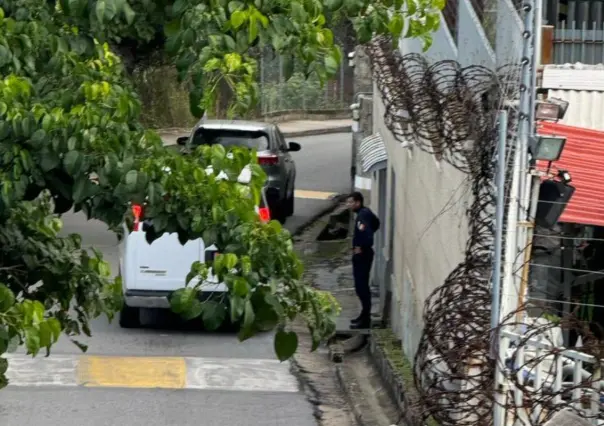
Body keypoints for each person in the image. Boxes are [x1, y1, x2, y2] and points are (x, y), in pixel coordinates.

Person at [346, 191, 380, 329]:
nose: (349, 205)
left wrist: (362, 247)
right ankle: (363, 315)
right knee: (360, 286)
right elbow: (377, 223)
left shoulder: (362, 215)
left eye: (351, 202)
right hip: (361, 254)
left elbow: (368, 234)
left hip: (363, 255)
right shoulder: (364, 213)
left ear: (358, 202)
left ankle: (365, 318)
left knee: (362, 287)